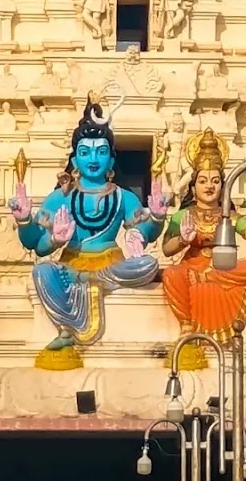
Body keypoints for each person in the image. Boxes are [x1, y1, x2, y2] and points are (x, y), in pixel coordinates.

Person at [9, 97, 167, 369]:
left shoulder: (123, 197)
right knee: (41, 272)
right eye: (85, 152)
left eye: (100, 152)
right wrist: (29, 223)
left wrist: (156, 218)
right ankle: (68, 328)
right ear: (74, 159)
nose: (93, 159)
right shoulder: (61, 197)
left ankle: (85, 295)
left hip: (112, 264)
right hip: (72, 264)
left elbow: (145, 235)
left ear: (111, 159)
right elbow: (36, 245)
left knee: (148, 264)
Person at [161, 129, 246, 366]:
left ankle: (210, 276)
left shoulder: (228, 215)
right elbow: (167, 249)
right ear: (193, 188)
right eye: (202, 181)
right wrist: (183, 238)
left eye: (215, 181)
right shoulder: (183, 215)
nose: (209, 186)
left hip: (222, 267)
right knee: (171, 274)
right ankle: (187, 324)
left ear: (223, 187)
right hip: (192, 268)